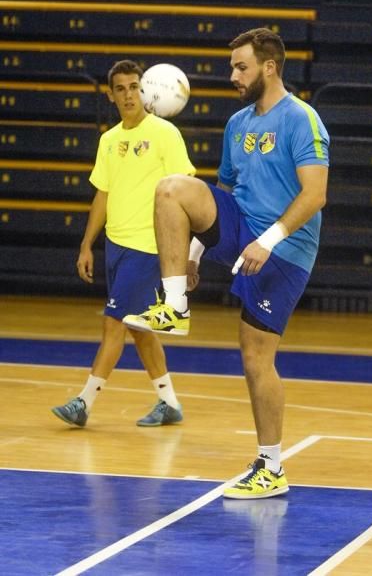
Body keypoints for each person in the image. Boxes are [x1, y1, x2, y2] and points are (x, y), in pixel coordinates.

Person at [124, 28, 329, 498]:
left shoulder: (302, 119)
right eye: (232, 67)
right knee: (172, 187)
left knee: (256, 358)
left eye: (241, 67)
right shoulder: (238, 123)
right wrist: (194, 255)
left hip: (286, 248)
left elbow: (315, 194)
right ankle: (174, 304)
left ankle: (271, 467)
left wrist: (269, 242)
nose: (232, 75)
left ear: (270, 67)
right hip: (240, 225)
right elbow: (228, 190)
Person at [51, 59, 195, 428]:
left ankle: (83, 402)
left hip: (149, 247)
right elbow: (102, 194)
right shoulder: (109, 140)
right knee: (137, 326)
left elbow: (185, 189)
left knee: (114, 322)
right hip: (117, 246)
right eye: (122, 88)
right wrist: (87, 245)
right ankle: (169, 402)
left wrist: (183, 250)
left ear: (144, 91)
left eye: (135, 87)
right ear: (111, 94)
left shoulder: (165, 133)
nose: (129, 94)